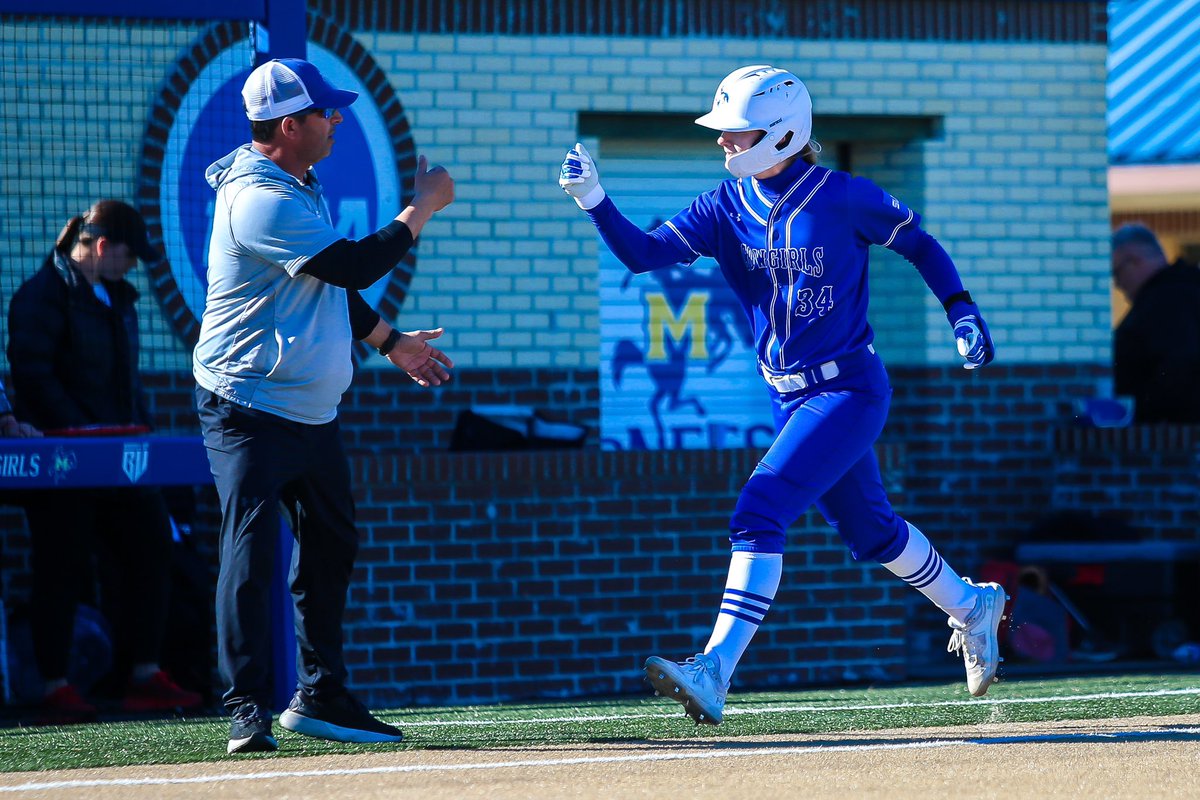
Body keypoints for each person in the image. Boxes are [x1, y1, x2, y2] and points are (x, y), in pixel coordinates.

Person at [559, 65, 1007, 725]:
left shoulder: (843, 195)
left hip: (849, 389)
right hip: (788, 396)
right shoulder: (723, 206)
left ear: (782, 132)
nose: (723, 144)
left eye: (736, 134)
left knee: (758, 509)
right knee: (870, 531)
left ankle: (714, 670)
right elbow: (643, 255)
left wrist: (963, 311)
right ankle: (972, 605)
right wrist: (595, 199)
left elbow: (920, 244)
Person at [194, 57, 455, 755]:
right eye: (324, 112)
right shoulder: (258, 197)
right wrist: (421, 205)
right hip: (247, 406)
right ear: (289, 125)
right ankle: (247, 706)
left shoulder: (296, 182)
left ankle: (321, 695)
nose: (336, 119)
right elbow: (350, 265)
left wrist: (391, 341)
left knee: (333, 546)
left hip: (308, 411)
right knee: (249, 552)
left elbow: (326, 285)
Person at [6, 200, 203, 723]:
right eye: (128, 255)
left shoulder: (119, 298)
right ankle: (54, 682)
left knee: (152, 546)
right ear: (100, 247)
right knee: (61, 566)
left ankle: (142, 673)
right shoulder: (40, 297)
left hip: (122, 460)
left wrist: (139, 430)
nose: (132, 266)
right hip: (65, 463)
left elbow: (127, 382)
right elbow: (33, 376)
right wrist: (83, 436)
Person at [1110, 224, 1200, 423]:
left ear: (1134, 260)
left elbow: (1179, 367)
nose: (1117, 284)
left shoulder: (1165, 302)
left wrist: (1142, 412)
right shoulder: (1185, 290)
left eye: (1116, 273)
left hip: (1169, 436)